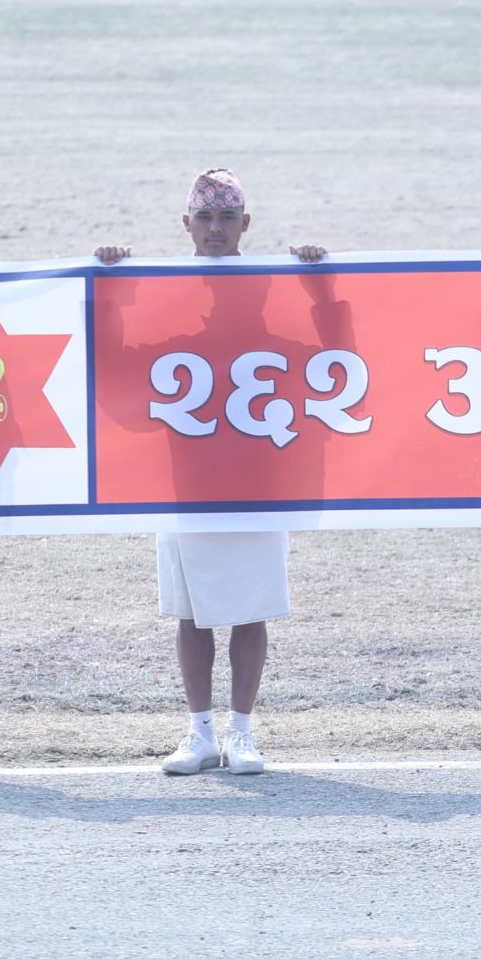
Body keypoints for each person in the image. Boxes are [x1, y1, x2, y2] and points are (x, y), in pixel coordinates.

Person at [95, 169, 327, 777]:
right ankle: (199, 732)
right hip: (186, 478)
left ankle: (242, 731)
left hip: (256, 477)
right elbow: (113, 365)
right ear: (187, 224)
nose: (216, 229)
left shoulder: (269, 296)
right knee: (192, 612)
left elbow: (338, 358)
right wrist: (112, 283)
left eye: (227, 219)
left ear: (245, 224)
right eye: (206, 218)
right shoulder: (167, 302)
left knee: (250, 609)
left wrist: (322, 283)